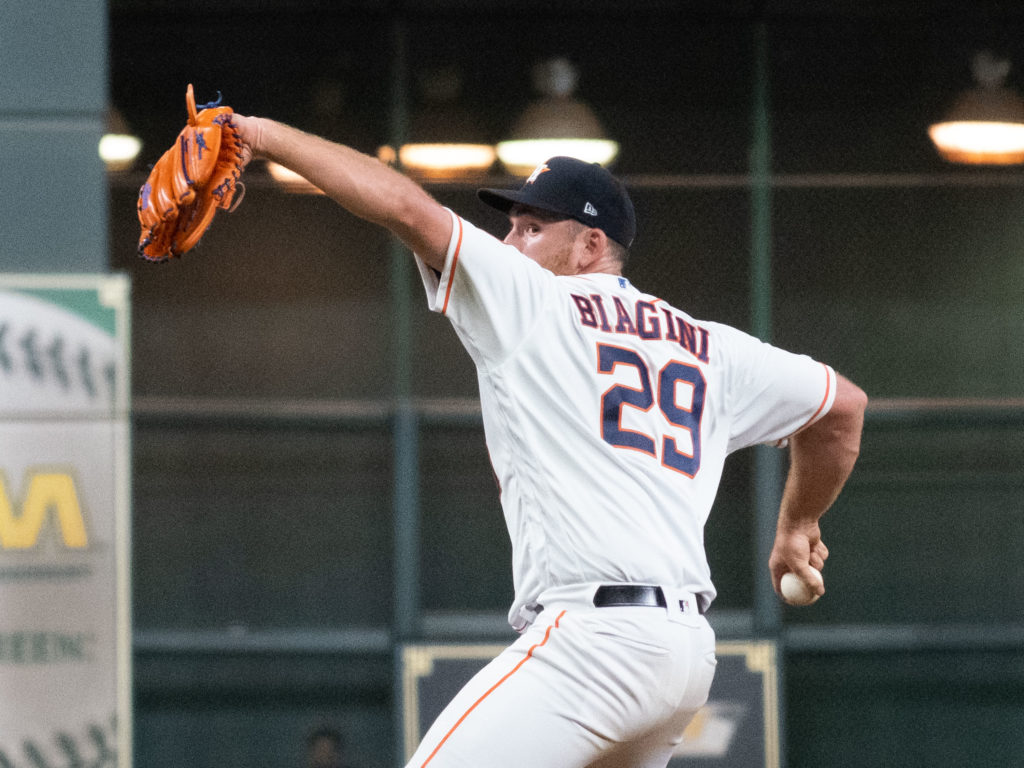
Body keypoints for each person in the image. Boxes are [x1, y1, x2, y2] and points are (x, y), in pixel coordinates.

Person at [229, 114, 867, 768]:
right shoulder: (710, 346)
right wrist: (800, 523)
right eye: (510, 226)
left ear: (591, 245)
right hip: (683, 652)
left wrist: (256, 134)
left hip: (594, 642)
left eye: (532, 229)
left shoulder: (537, 302)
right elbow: (843, 408)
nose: (510, 243)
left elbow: (404, 208)